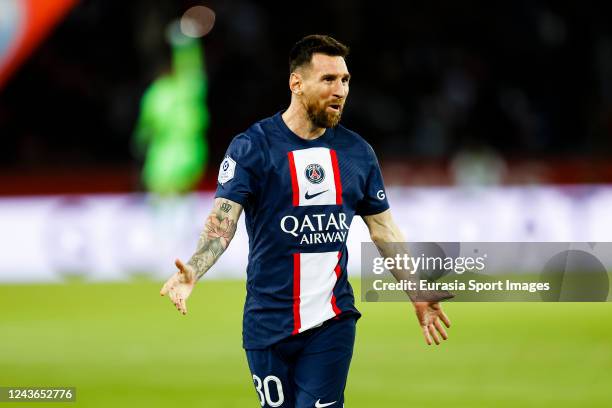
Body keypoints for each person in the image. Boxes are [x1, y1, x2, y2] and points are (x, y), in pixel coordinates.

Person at [160, 34, 452, 408]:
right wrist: (195, 269)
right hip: (267, 325)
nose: (340, 90)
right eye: (328, 79)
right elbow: (223, 221)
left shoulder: (357, 154)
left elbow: (383, 230)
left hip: (332, 322)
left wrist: (417, 290)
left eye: (345, 80)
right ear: (296, 84)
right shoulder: (253, 147)